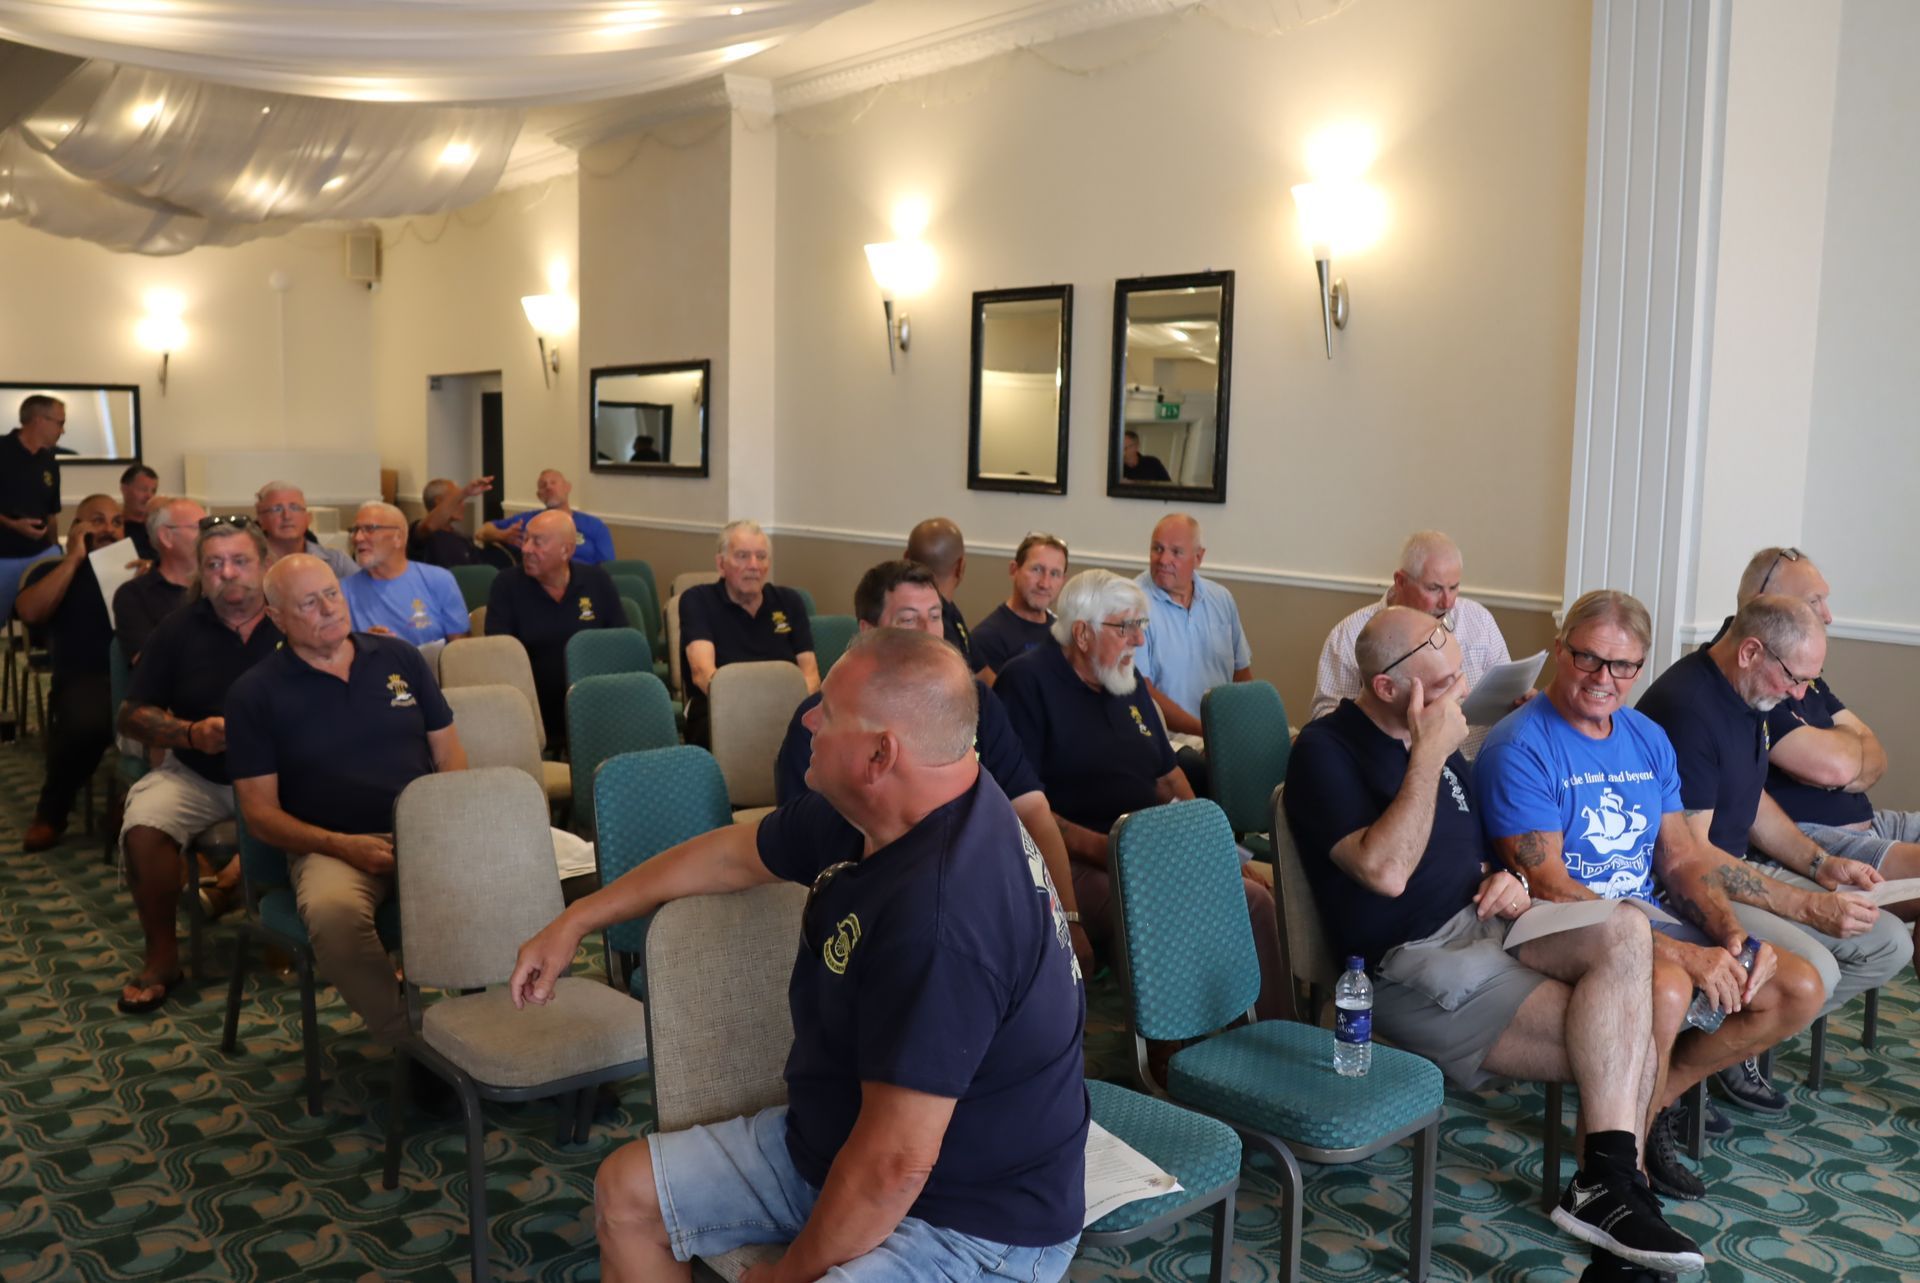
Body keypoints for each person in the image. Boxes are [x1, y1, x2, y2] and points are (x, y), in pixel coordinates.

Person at [509, 629, 1087, 1281]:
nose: (807, 719)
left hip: (972, 1218)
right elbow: (731, 856)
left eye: (827, 712)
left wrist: (786, 1277)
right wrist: (579, 918)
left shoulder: (944, 914)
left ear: (879, 753)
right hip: (840, 1142)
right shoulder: (880, 811)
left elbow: (894, 1166)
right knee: (627, 1193)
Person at [1283, 605, 1703, 1274]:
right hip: (1411, 961)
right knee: (1629, 1029)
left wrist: (1506, 876)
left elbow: (1471, 851)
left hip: (1489, 923)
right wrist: (1428, 753)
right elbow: (1386, 871)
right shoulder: (1325, 749)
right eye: (1444, 684)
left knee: (1625, 926)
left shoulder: (1437, 736)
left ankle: (1609, 1187)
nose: (1461, 694)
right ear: (1388, 687)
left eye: (1460, 676)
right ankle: (1616, 1200)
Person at [1475, 590, 1823, 1200]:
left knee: (1797, 988)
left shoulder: (1646, 737)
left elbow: (1681, 856)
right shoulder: (1520, 746)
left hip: (1647, 913)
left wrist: (1729, 935)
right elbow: (1551, 885)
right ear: (1560, 650)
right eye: (1587, 658)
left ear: (1640, 666)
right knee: (1666, 989)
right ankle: (1611, 1179)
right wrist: (1684, 955)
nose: (1602, 678)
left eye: (1623, 665)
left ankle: (1656, 1102)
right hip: (1568, 928)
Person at [1635, 595, 1912, 1115]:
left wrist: (1819, 864)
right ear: (1750, 652)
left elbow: (1753, 801)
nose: (1800, 694)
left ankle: (1733, 1041)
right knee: (1818, 973)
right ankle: (1677, 1073)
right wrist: (1808, 906)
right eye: (1794, 678)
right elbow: (1693, 855)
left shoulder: (1751, 693)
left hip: (1739, 868)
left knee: (1887, 943)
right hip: (1689, 888)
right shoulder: (1688, 709)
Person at [994, 569, 1288, 1017]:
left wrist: (1218, 848)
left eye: (1141, 625)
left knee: (1255, 901)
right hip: (1071, 858)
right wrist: (1113, 850)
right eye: (1126, 627)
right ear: (1082, 634)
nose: (1139, 640)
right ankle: (1169, 1042)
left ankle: (1273, 1031)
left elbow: (1169, 778)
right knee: (1164, 909)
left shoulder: (1122, 679)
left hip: (1147, 847)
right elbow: (1026, 809)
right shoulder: (1026, 683)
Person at [774, 559, 1093, 967]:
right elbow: (801, 847)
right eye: (909, 619)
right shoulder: (823, 722)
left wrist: (1067, 918)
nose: (928, 632)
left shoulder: (973, 700)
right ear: (869, 632)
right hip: (887, 913)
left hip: (985, 893)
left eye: (936, 616)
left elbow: (1031, 810)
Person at [226, 554, 467, 1048]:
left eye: (332, 594)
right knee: (333, 913)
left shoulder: (398, 658)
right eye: (308, 603)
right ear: (276, 617)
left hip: (423, 830)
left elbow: (450, 754)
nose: (329, 609)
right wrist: (342, 845)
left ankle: (509, 1022)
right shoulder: (255, 694)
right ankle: (410, 1043)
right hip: (330, 847)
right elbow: (260, 815)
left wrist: (437, 827)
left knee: (511, 879)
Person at [115, 520, 284, 1013]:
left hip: (285, 774)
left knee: (349, 807)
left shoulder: (292, 621)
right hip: (199, 772)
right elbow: (132, 714)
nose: (227, 573)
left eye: (240, 561)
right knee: (145, 828)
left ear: (264, 565)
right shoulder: (178, 628)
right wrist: (190, 733)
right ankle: (162, 957)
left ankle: (304, 932)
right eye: (214, 564)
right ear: (201, 573)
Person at [1732, 548, 1920, 923]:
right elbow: (1834, 768)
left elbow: (1875, 754)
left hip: (1872, 821)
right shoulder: (1757, 676)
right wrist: (1849, 752)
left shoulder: (1804, 672)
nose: (1828, 615)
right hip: (1811, 837)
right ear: (1765, 605)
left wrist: (1849, 751)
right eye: (1813, 602)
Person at [1311, 531, 1517, 754]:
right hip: (1398, 767)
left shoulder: (1479, 619)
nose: (1448, 602)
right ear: (1401, 581)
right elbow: (1327, 721)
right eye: (1434, 588)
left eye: (1454, 587)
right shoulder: (1349, 634)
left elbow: (1506, 689)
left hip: (1481, 761)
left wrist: (1519, 703)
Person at [16, 494, 123, 851]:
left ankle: (129, 805)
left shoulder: (138, 569)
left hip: (138, 675)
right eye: (98, 520)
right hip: (85, 676)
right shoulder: (53, 571)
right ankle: (52, 812)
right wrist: (75, 558)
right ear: (77, 527)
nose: (109, 529)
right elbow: (30, 613)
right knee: (87, 723)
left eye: (117, 522)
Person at [484, 509, 623, 748]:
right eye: (525, 539)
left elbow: (619, 643)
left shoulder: (597, 581)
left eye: (537, 542)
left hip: (594, 702)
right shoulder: (507, 585)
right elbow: (500, 653)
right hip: (533, 705)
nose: (526, 549)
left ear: (566, 550)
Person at [678, 520, 818, 748]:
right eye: (742, 556)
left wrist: (791, 710)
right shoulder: (698, 601)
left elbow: (810, 675)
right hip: (719, 712)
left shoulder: (789, 601)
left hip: (785, 710)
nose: (754, 565)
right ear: (721, 564)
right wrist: (754, 712)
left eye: (761, 557)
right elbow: (703, 674)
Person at [1132, 513, 1252, 745]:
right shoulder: (1132, 602)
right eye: (1157, 549)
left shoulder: (1221, 598)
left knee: (1291, 745)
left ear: (1198, 557)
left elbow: (1242, 674)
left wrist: (1244, 726)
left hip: (1222, 730)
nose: (1164, 559)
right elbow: (1142, 691)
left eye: (1176, 552)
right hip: (1167, 736)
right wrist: (1207, 731)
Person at [339, 501, 470, 645]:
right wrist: (362, 644)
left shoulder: (439, 580)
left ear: (398, 538)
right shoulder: (342, 591)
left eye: (370, 529)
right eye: (355, 530)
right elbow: (333, 650)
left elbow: (460, 646)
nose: (357, 538)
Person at [113, 498, 206, 663]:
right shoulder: (134, 595)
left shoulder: (217, 585)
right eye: (199, 527)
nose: (209, 536)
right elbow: (147, 664)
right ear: (166, 537)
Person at [969, 532, 1068, 685]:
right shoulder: (986, 638)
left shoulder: (1064, 633)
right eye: (1037, 569)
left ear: (1063, 580)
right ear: (1014, 570)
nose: (1044, 584)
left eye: (1054, 574)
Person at [0, 393, 65, 623]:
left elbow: (51, 514)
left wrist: (57, 552)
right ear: (39, 420)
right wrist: (12, 524)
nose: (63, 430)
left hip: (42, 555)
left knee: (53, 618)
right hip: (4, 557)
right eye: (60, 423)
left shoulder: (50, 462)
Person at [477, 469, 614, 565]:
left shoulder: (594, 526)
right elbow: (482, 531)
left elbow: (608, 568)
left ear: (567, 487)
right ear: (539, 496)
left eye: (553, 483)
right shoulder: (527, 520)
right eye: (543, 485)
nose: (548, 487)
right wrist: (503, 536)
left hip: (584, 584)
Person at [905, 516, 976, 667]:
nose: (929, 624)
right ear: (960, 567)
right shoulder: (940, 633)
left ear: (906, 559)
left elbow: (981, 670)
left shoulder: (951, 612)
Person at [254, 481, 357, 580]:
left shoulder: (337, 562)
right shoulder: (251, 564)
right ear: (261, 520)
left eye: (295, 508)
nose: (287, 516)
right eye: (277, 509)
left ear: (308, 518)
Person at [408, 475, 502, 569]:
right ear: (439, 502)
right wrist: (465, 492)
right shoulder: (421, 534)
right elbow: (429, 526)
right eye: (458, 499)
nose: (463, 504)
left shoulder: (462, 538)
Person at [118, 464, 160, 561]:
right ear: (124, 489)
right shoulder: (116, 528)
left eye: (153, 491)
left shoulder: (158, 527)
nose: (149, 496)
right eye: (143, 489)